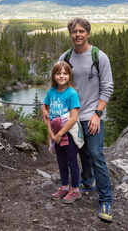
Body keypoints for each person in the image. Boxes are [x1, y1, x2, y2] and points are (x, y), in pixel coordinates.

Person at [60, 18, 114, 222]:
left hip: (92, 115)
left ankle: (106, 201)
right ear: (70, 34)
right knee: (82, 152)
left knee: (96, 155)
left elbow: (107, 87)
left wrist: (97, 115)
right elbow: (60, 87)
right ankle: (88, 181)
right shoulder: (65, 58)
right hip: (72, 116)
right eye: (74, 32)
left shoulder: (99, 57)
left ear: (88, 33)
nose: (78, 35)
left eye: (82, 31)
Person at [41, 61, 83, 204]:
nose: (61, 76)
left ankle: (75, 190)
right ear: (54, 76)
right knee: (61, 161)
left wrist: (59, 134)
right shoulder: (51, 92)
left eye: (65, 73)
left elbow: (74, 118)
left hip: (68, 133)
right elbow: (44, 108)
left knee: (71, 161)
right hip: (56, 130)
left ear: (69, 75)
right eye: (58, 73)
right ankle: (64, 187)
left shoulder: (72, 93)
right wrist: (50, 130)